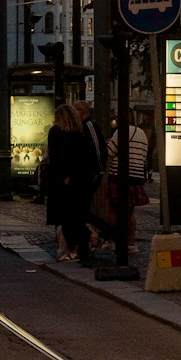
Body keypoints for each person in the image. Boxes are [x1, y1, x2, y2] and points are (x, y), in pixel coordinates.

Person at [46, 103, 92, 263]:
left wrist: (63, 176)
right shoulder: (80, 133)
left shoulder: (56, 132)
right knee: (77, 216)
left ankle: (70, 249)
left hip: (63, 182)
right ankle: (81, 247)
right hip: (81, 181)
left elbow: (55, 157)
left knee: (65, 217)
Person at [106, 111, 150, 253]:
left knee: (114, 208)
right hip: (136, 176)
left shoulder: (120, 132)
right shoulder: (142, 133)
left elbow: (110, 152)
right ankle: (131, 242)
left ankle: (111, 240)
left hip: (119, 175)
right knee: (130, 211)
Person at [74, 99, 112, 246]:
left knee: (82, 209)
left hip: (91, 175)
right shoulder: (81, 127)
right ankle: (96, 235)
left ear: (82, 112)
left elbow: (98, 149)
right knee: (82, 210)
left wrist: (98, 170)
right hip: (87, 174)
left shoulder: (90, 126)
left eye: (76, 110)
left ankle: (106, 231)